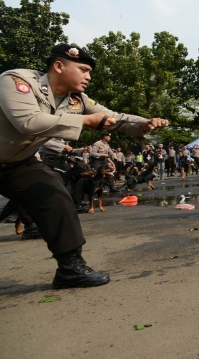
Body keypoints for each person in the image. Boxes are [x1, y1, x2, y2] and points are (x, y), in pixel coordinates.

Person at [0, 43, 169, 289]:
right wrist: (85, 121)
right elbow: (27, 122)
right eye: (83, 70)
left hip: (18, 162)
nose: (88, 77)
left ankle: (70, 268)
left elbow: (115, 118)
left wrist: (145, 123)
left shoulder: (77, 100)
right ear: (58, 66)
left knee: (57, 196)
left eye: (89, 71)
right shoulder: (17, 81)